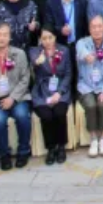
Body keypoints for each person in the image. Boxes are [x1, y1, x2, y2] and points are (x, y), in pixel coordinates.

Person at [0, 22, 33, 170]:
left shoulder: (19, 54)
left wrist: (12, 98)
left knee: (22, 116)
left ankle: (23, 151)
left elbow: (25, 78)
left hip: (16, 96)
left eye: (5, 35)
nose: (1, 38)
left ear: (10, 37)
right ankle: (4, 155)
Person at [76, 13, 103, 157]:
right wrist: (86, 55)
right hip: (86, 86)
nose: (97, 29)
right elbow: (81, 51)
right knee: (90, 105)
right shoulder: (82, 43)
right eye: (93, 27)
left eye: (100, 26)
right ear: (89, 29)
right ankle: (94, 139)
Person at [32, 28, 72, 164]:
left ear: (55, 37)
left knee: (59, 112)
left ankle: (61, 146)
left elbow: (68, 74)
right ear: (40, 39)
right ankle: (51, 148)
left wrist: (59, 92)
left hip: (60, 89)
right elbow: (31, 65)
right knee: (46, 116)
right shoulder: (35, 52)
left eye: (50, 37)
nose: (47, 41)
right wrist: (37, 62)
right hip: (42, 91)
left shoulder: (64, 50)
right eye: (44, 38)